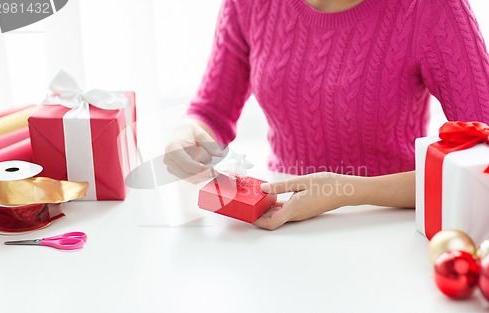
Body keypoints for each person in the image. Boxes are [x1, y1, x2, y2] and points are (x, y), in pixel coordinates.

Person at [164, 0, 489, 230]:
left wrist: (349, 191)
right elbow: (211, 112)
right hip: (282, 223)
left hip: (390, 228)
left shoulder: (431, 8)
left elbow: (482, 161)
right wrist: (188, 135)